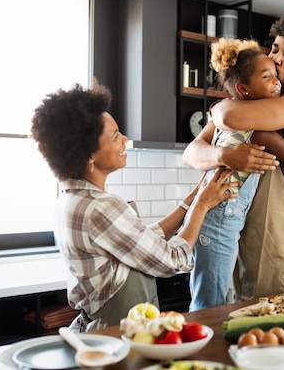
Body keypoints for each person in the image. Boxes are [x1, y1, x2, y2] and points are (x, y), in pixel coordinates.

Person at [30, 80, 237, 330]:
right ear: (89, 155)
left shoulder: (72, 198)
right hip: (120, 332)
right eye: (115, 136)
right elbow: (172, 259)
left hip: (102, 328)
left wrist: (194, 197)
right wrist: (201, 206)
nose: (125, 139)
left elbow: (141, 240)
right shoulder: (101, 207)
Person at [183, 13, 284, 300]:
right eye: (275, 49)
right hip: (249, 231)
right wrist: (225, 154)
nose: (276, 59)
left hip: (277, 233)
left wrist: (218, 108)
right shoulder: (260, 100)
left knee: (273, 331)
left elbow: (230, 116)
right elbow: (191, 153)